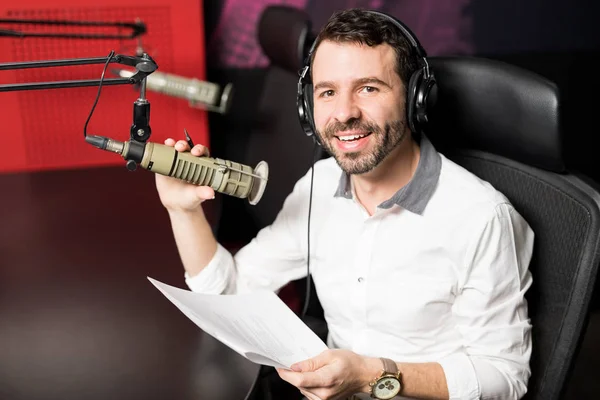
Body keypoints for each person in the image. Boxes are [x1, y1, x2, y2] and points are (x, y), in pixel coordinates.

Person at [155, 8, 534, 400]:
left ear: (415, 97)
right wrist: (182, 210)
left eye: (368, 88)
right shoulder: (318, 188)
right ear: (307, 106)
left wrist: (372, 375)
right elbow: (230, 292)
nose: (344, 113)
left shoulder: (480, 216)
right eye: (328, 92)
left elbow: (504, 377)